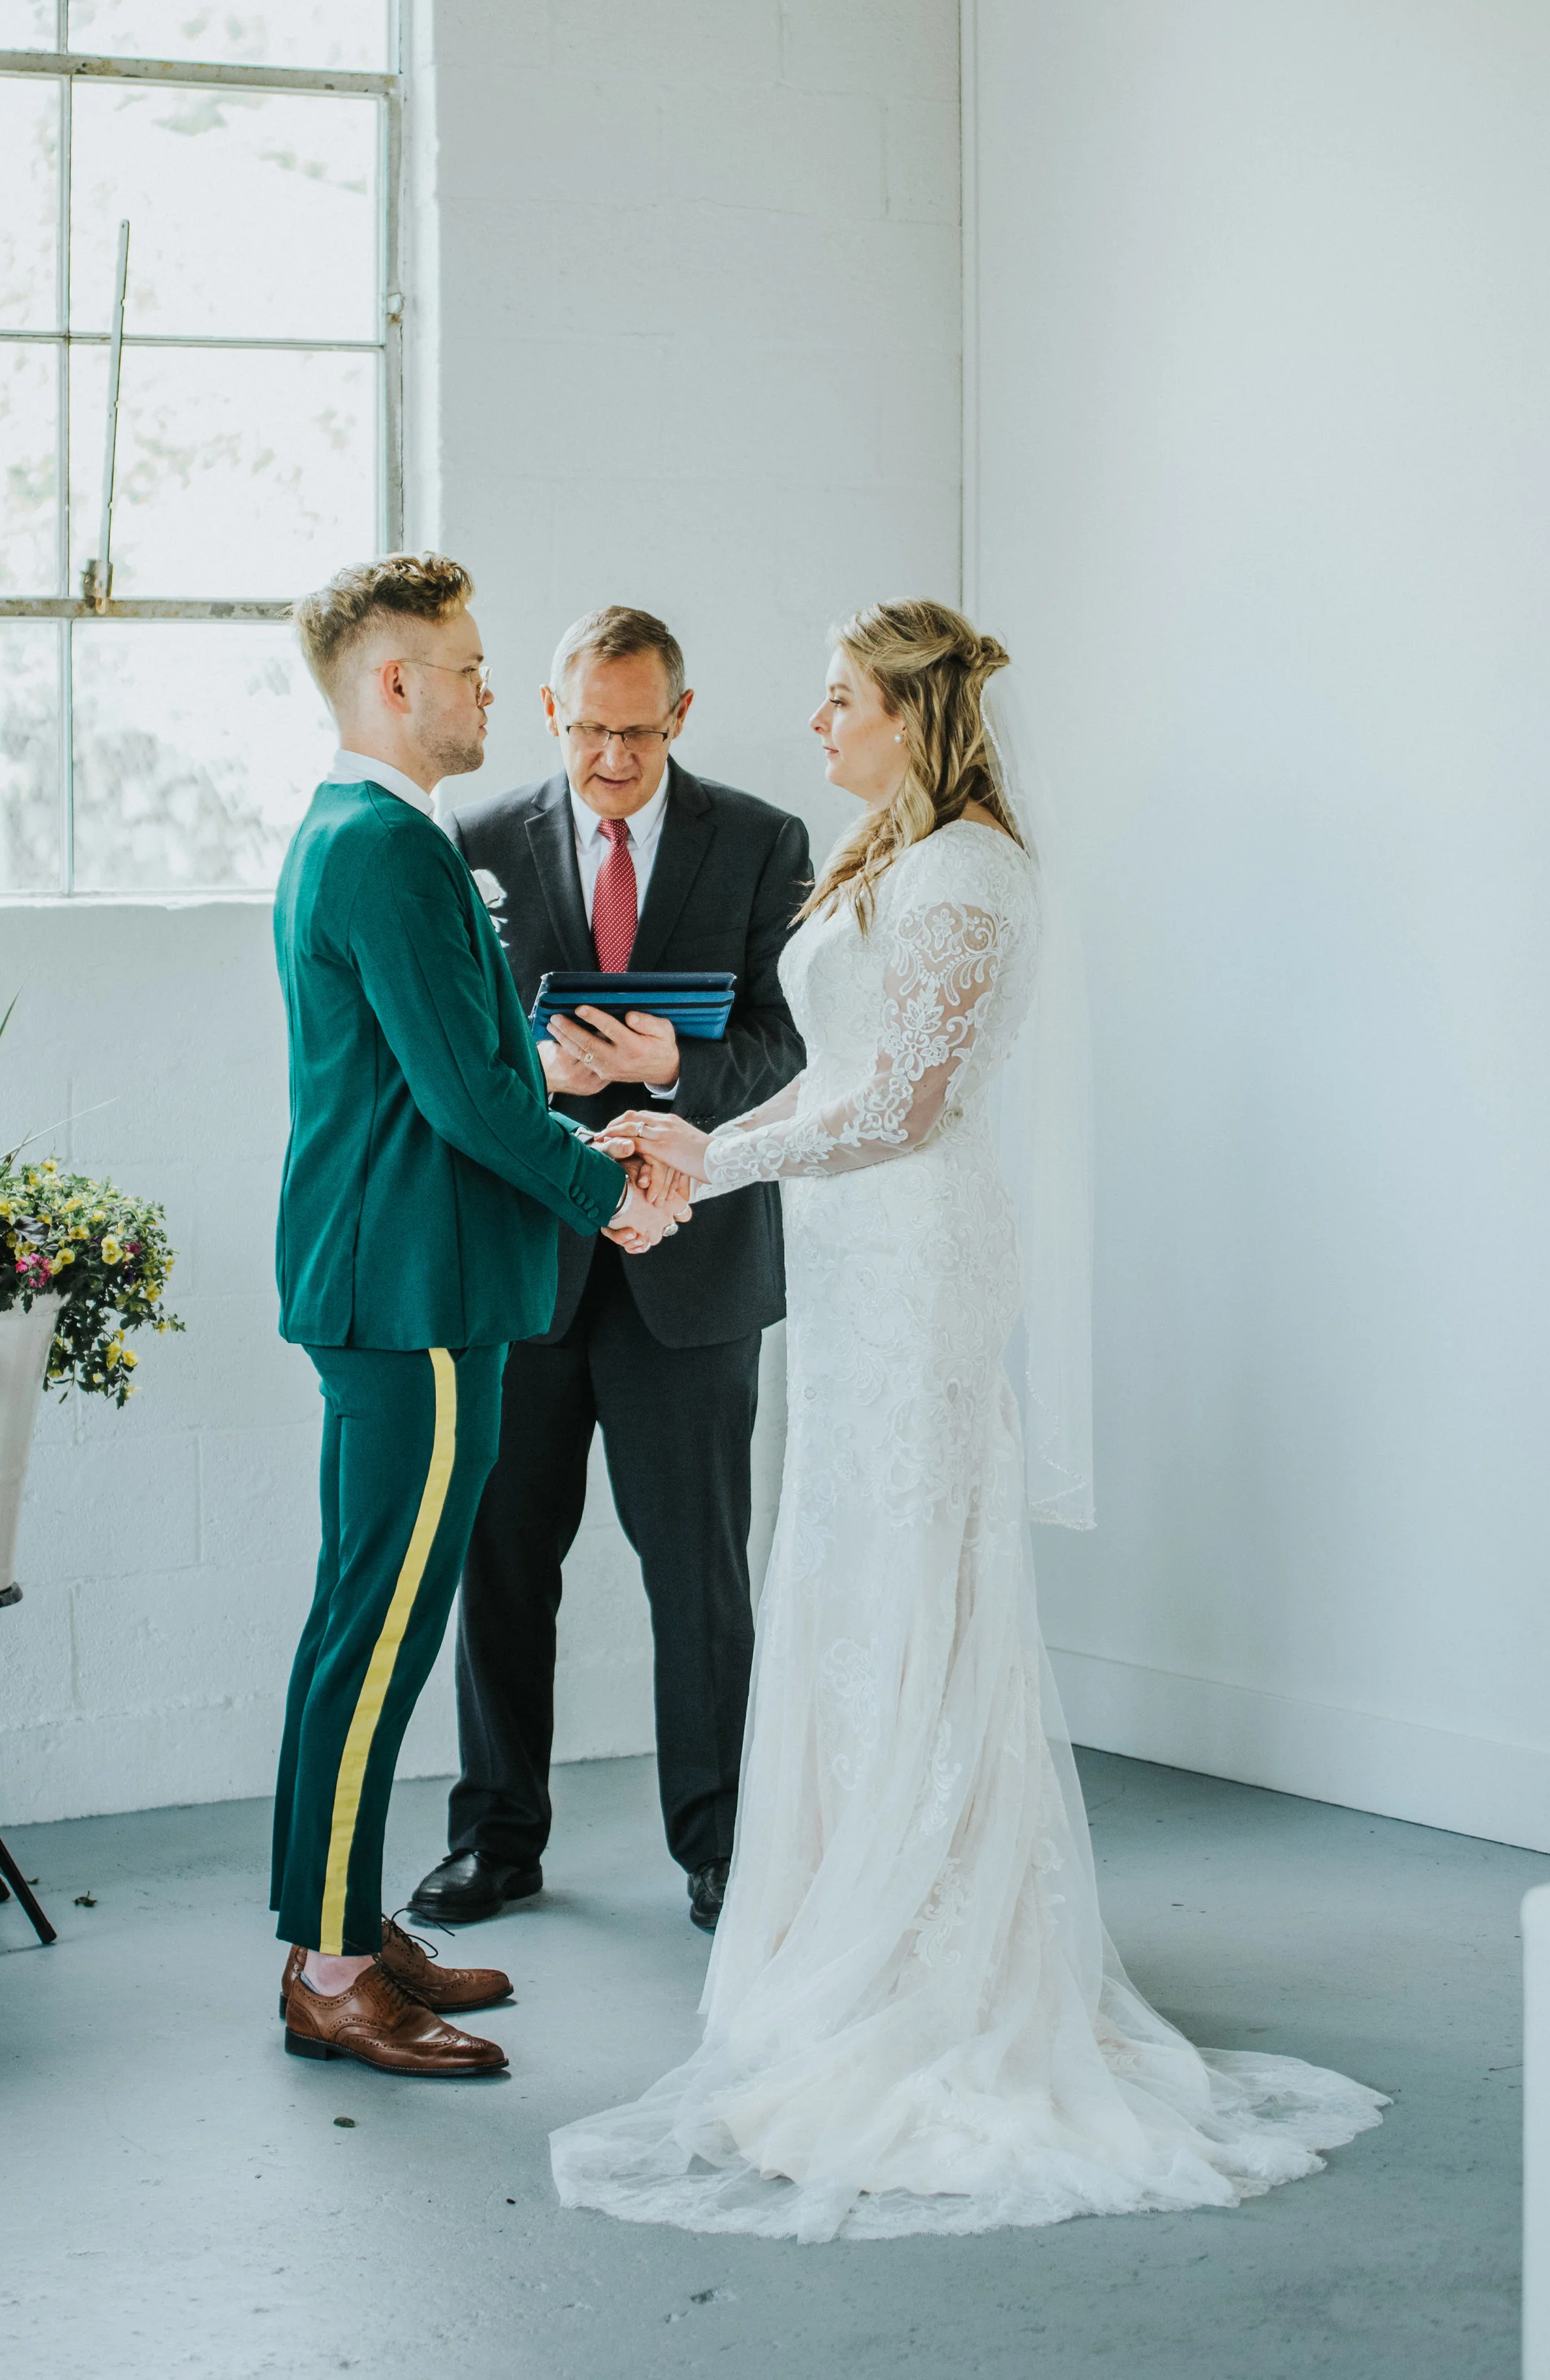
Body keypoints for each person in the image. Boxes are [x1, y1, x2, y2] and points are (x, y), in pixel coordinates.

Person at [550, 599, 1387, 2236]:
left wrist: (713, 1160)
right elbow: (835, 1071)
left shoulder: (969, 873)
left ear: (911, 715)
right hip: (846, 1257)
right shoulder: (887, 854)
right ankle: (848, 1932)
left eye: (839, 699)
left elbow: (909, 1105)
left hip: (920, 1256)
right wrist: (703, 1140)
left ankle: (944, 1963)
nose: (815, 723)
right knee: (843, 1575)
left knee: (913, 1579)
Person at [269, 553, 685, 2080]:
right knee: (379, 1633)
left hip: (396, 1280)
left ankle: (340, 1926)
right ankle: (330, 1973)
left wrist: (558, 1106)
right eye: (466, 667)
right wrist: (603, 1191)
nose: (490, 691)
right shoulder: (385, 846)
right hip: (417, 1293)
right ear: (396, 682)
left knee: (358, 1620)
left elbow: (455, 1067)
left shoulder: (362, 831)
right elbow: (457, 1096)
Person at [409, 606, 809, 1935]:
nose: (614, 758)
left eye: (639, 732)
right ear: (550, 713)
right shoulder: (469, 840)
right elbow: (448, 1046)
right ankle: (496, 1840)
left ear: (680, 716)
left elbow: (794, 1037)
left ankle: (721, 1848)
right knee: (502, 1565)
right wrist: (538, 1069)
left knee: (698, 1575)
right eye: (589, 730)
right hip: (525, 1263)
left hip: (693, 1273)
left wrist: (670, 1067)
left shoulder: (760, 841)